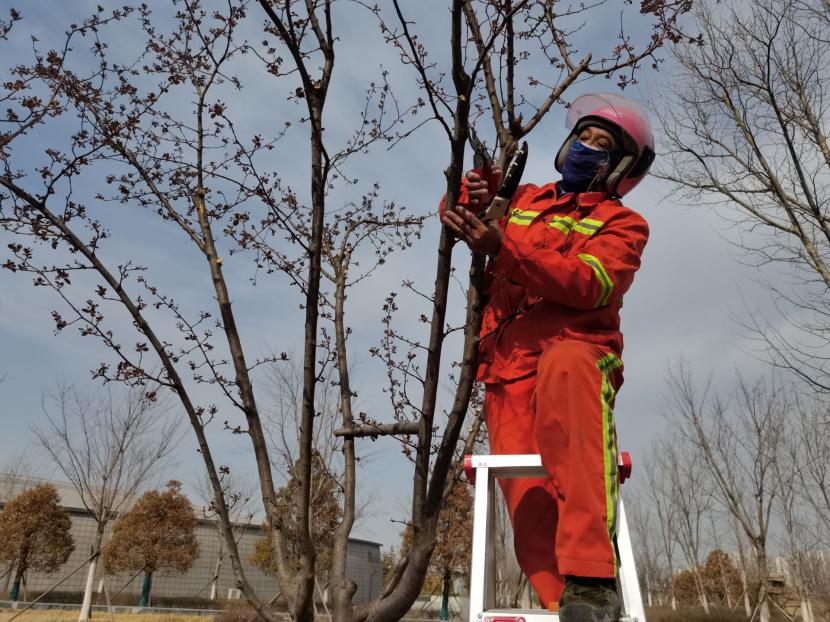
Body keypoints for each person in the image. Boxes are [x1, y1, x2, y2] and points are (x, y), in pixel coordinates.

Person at [441, 93, 655, 622]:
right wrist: (475, 191)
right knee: (530, 510)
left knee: (567, 373)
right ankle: (566, 606)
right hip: (507, 370)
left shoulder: (623, 224)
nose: (587, 147)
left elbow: (590, 283)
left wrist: (505, 248)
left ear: (622, 167)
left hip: (576, 357)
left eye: (602, 144)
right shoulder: (524, 200)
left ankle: (592, 581)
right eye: (583, 136)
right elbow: (459, 217)